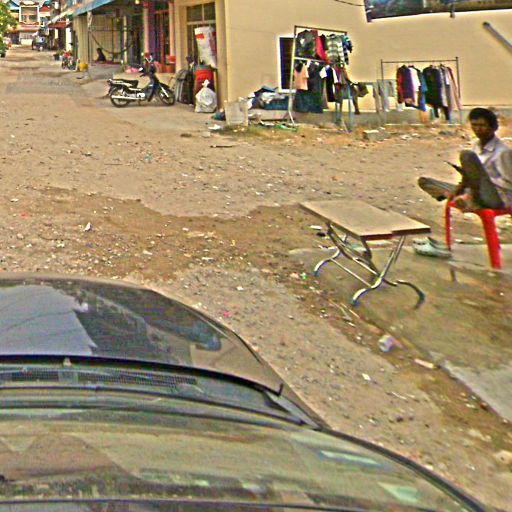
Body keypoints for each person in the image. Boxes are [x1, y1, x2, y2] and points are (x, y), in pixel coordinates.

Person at [418, 108, 512, 210]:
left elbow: (508, 183)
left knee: (466, 155)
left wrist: (482, 178)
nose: (477, 129)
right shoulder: (477, 146)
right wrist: (466, 179)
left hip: (497, 197)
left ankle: (468, 200)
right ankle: (459, 197)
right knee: (424, 181)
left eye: (482, 125)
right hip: (474, 190)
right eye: (474, 125)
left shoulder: (503, 152)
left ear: (493, 127)